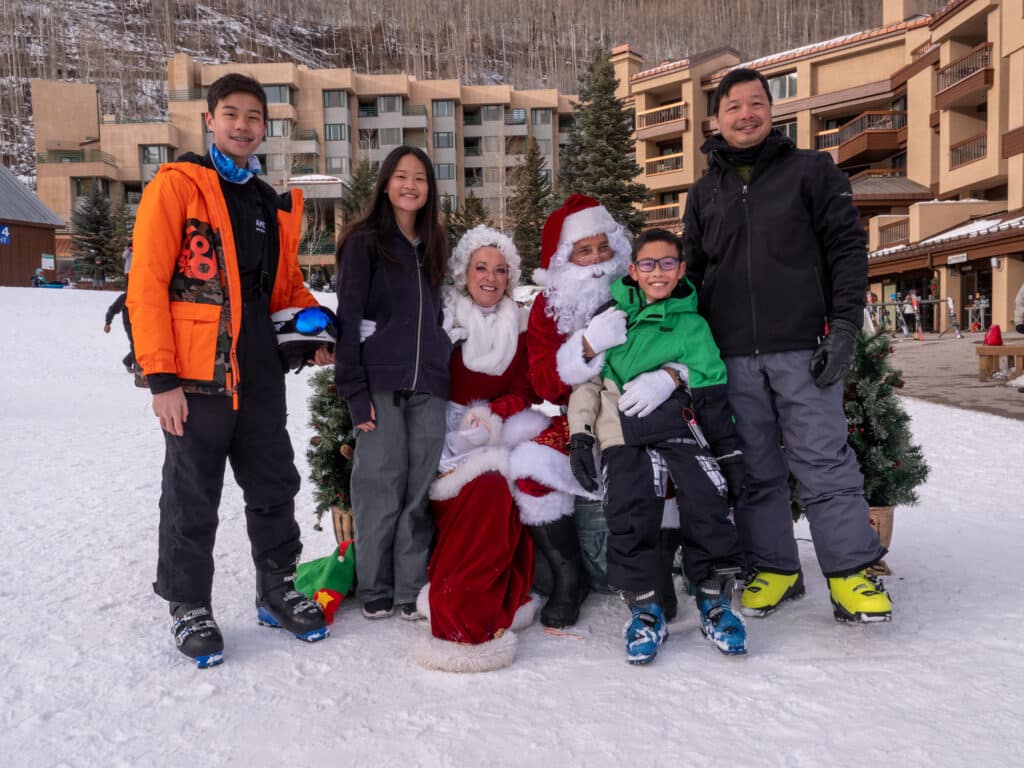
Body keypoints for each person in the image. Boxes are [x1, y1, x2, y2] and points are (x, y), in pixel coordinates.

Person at [127, 72, 330, 668]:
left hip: (260, 372)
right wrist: (161, 378)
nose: (243, 126)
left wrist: (318, 327)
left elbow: (283, 288)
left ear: (265, 128)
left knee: (274, 484)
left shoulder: (269, 203)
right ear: (210, 119)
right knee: (193, 494)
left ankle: (277, 588)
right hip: (196, 376)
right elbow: (147, 284)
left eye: (253, 118)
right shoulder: (178, 186)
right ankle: (189, 604)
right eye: (232, 114)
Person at [683, 67, 892, 624]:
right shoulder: (704, 193)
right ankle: (774, 569)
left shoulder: (812, 171)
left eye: (756, 104)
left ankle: (851, 576)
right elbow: (695, 278)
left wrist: (844, 327)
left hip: (804, 348)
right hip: (730, 357)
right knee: (753, 469)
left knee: (823, 461)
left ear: (772, 112)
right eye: (734, 106)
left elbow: (847, 250)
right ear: (717, 118)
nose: (745, 114)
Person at [567, 229, 747, 664]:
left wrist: (728, 453)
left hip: (677, 427)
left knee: (707, 497)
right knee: (629, 506)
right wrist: (581, 434)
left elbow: (710, 390)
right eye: (647, 264)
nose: (658, 272)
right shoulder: (614, 321)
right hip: (623, 432)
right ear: (633, 270)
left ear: (681, 269)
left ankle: (712, 595)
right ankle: (644, 606)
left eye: (668, 263)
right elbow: (588, 382)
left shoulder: (692, 325)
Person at [413, 225, 549, 672]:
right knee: (476, 495)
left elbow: (525, 387)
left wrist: (493, 414)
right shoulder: (443, 315)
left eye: (500, 270)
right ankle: (456, 603)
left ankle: (476, 600)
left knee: (500, 489)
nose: (490, 277)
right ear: (464, 272)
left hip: (499, 428)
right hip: (442, 432)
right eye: (481, 268)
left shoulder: (522, 322)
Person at [334, 145, 451, 621]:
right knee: (379, 483)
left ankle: (410, 586)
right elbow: (348, 319)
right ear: (385, 183)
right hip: (380, 381)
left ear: (430, 189)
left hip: (430, 383)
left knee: (419, 489)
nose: (410, 185)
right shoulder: (364, 241)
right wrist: (355, 395)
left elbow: (441, 309)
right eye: (401, 176)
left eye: (420, 178)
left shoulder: (436, 243)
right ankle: (376, 585)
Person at [506, 194, 631, 628]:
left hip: (642, 411)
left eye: (604, 247)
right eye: (584, 250)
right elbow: (541, 381)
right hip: (576, 420)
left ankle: (658, 576)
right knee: (530, 467)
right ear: (564, 259)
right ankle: (567, 575)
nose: (597, 261)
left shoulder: (640, 286)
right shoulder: (547, 308)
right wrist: (586, 346)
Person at [103, 290, 136, 373]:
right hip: (130, 325)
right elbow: (113, 309)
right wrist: (108, 323)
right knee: (136, 344)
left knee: (143, 345)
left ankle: (128, 361)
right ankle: (137, 368)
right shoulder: (125, 297)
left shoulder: (142, 295)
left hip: (141, 324)